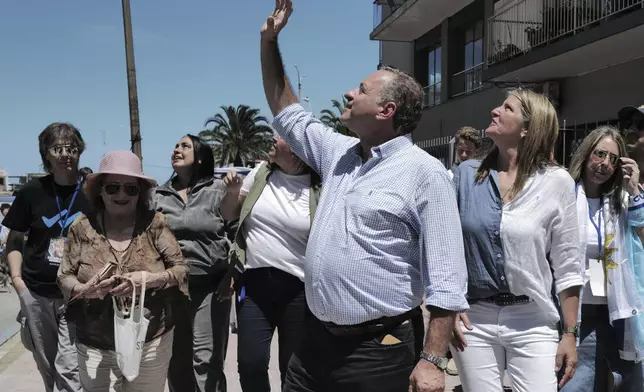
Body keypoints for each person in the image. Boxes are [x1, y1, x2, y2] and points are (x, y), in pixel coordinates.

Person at [259, 2, 469, 391]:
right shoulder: (338, 152)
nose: (349, 92)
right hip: (313, 345)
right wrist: (269, 41)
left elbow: (447, 279)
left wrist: (432, 360)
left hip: (379, 350)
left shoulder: (425, 174)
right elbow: (286, 111)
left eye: (362, 90)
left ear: (386, 110)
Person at [450, 89, 583, 392]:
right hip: (474, 318)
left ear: (527, 128)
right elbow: (449, 249)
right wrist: (450, 306)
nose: (494, 111)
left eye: (506, 108)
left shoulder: (556, 182)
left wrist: (570, 333)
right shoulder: (467, 176)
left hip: (532, 317)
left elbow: (568, 265)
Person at [57, 150, 189, 392]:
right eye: (113, 187)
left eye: (131, 189)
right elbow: (64, 276)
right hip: (94, 342)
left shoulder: (155, 223)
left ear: (140, 193)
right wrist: (84, 290)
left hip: (149, 341)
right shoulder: (81, 226)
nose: (121, 194)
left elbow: (180, 270)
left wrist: (149, 280)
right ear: (99, 190)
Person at [219, 136, 321, 392]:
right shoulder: (261, 174)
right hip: (254, 285)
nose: (273, 137)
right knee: (250, 365)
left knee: (293, 368)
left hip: (299, 290)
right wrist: (232, 193)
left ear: (298, 149)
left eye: (282, 135)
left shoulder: (318, 185)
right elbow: (229, 214)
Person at [3, 122, 89, 392]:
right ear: (46, 154)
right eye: (58, 148)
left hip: (75, 294)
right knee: (47, 365)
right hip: (36, 293)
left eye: (72, 148)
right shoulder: (31, 192)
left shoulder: (93, 192)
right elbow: (15, 240)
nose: (66, 154)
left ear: (80, 152)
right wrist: (18, 282)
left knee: (69, 367)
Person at [561, 126, 644, 392]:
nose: (605, 163)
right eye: (599, 154)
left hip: (618, 308)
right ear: (586, 154)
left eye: (613, 159)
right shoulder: (565, 194)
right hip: (578, 308)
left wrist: (634, 190)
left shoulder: (622, 198)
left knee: (632, 379)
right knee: (577, 383)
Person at [152, 134, 233, 392]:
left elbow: (237, 232)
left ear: (199, 157)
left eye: (184, 146)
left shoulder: (218, 190)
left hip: (210, 286)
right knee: (177, 362)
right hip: (171, 289)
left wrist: (233, 273)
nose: (177, 149)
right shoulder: (158, 195)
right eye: (175, 145)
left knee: (206, 359)